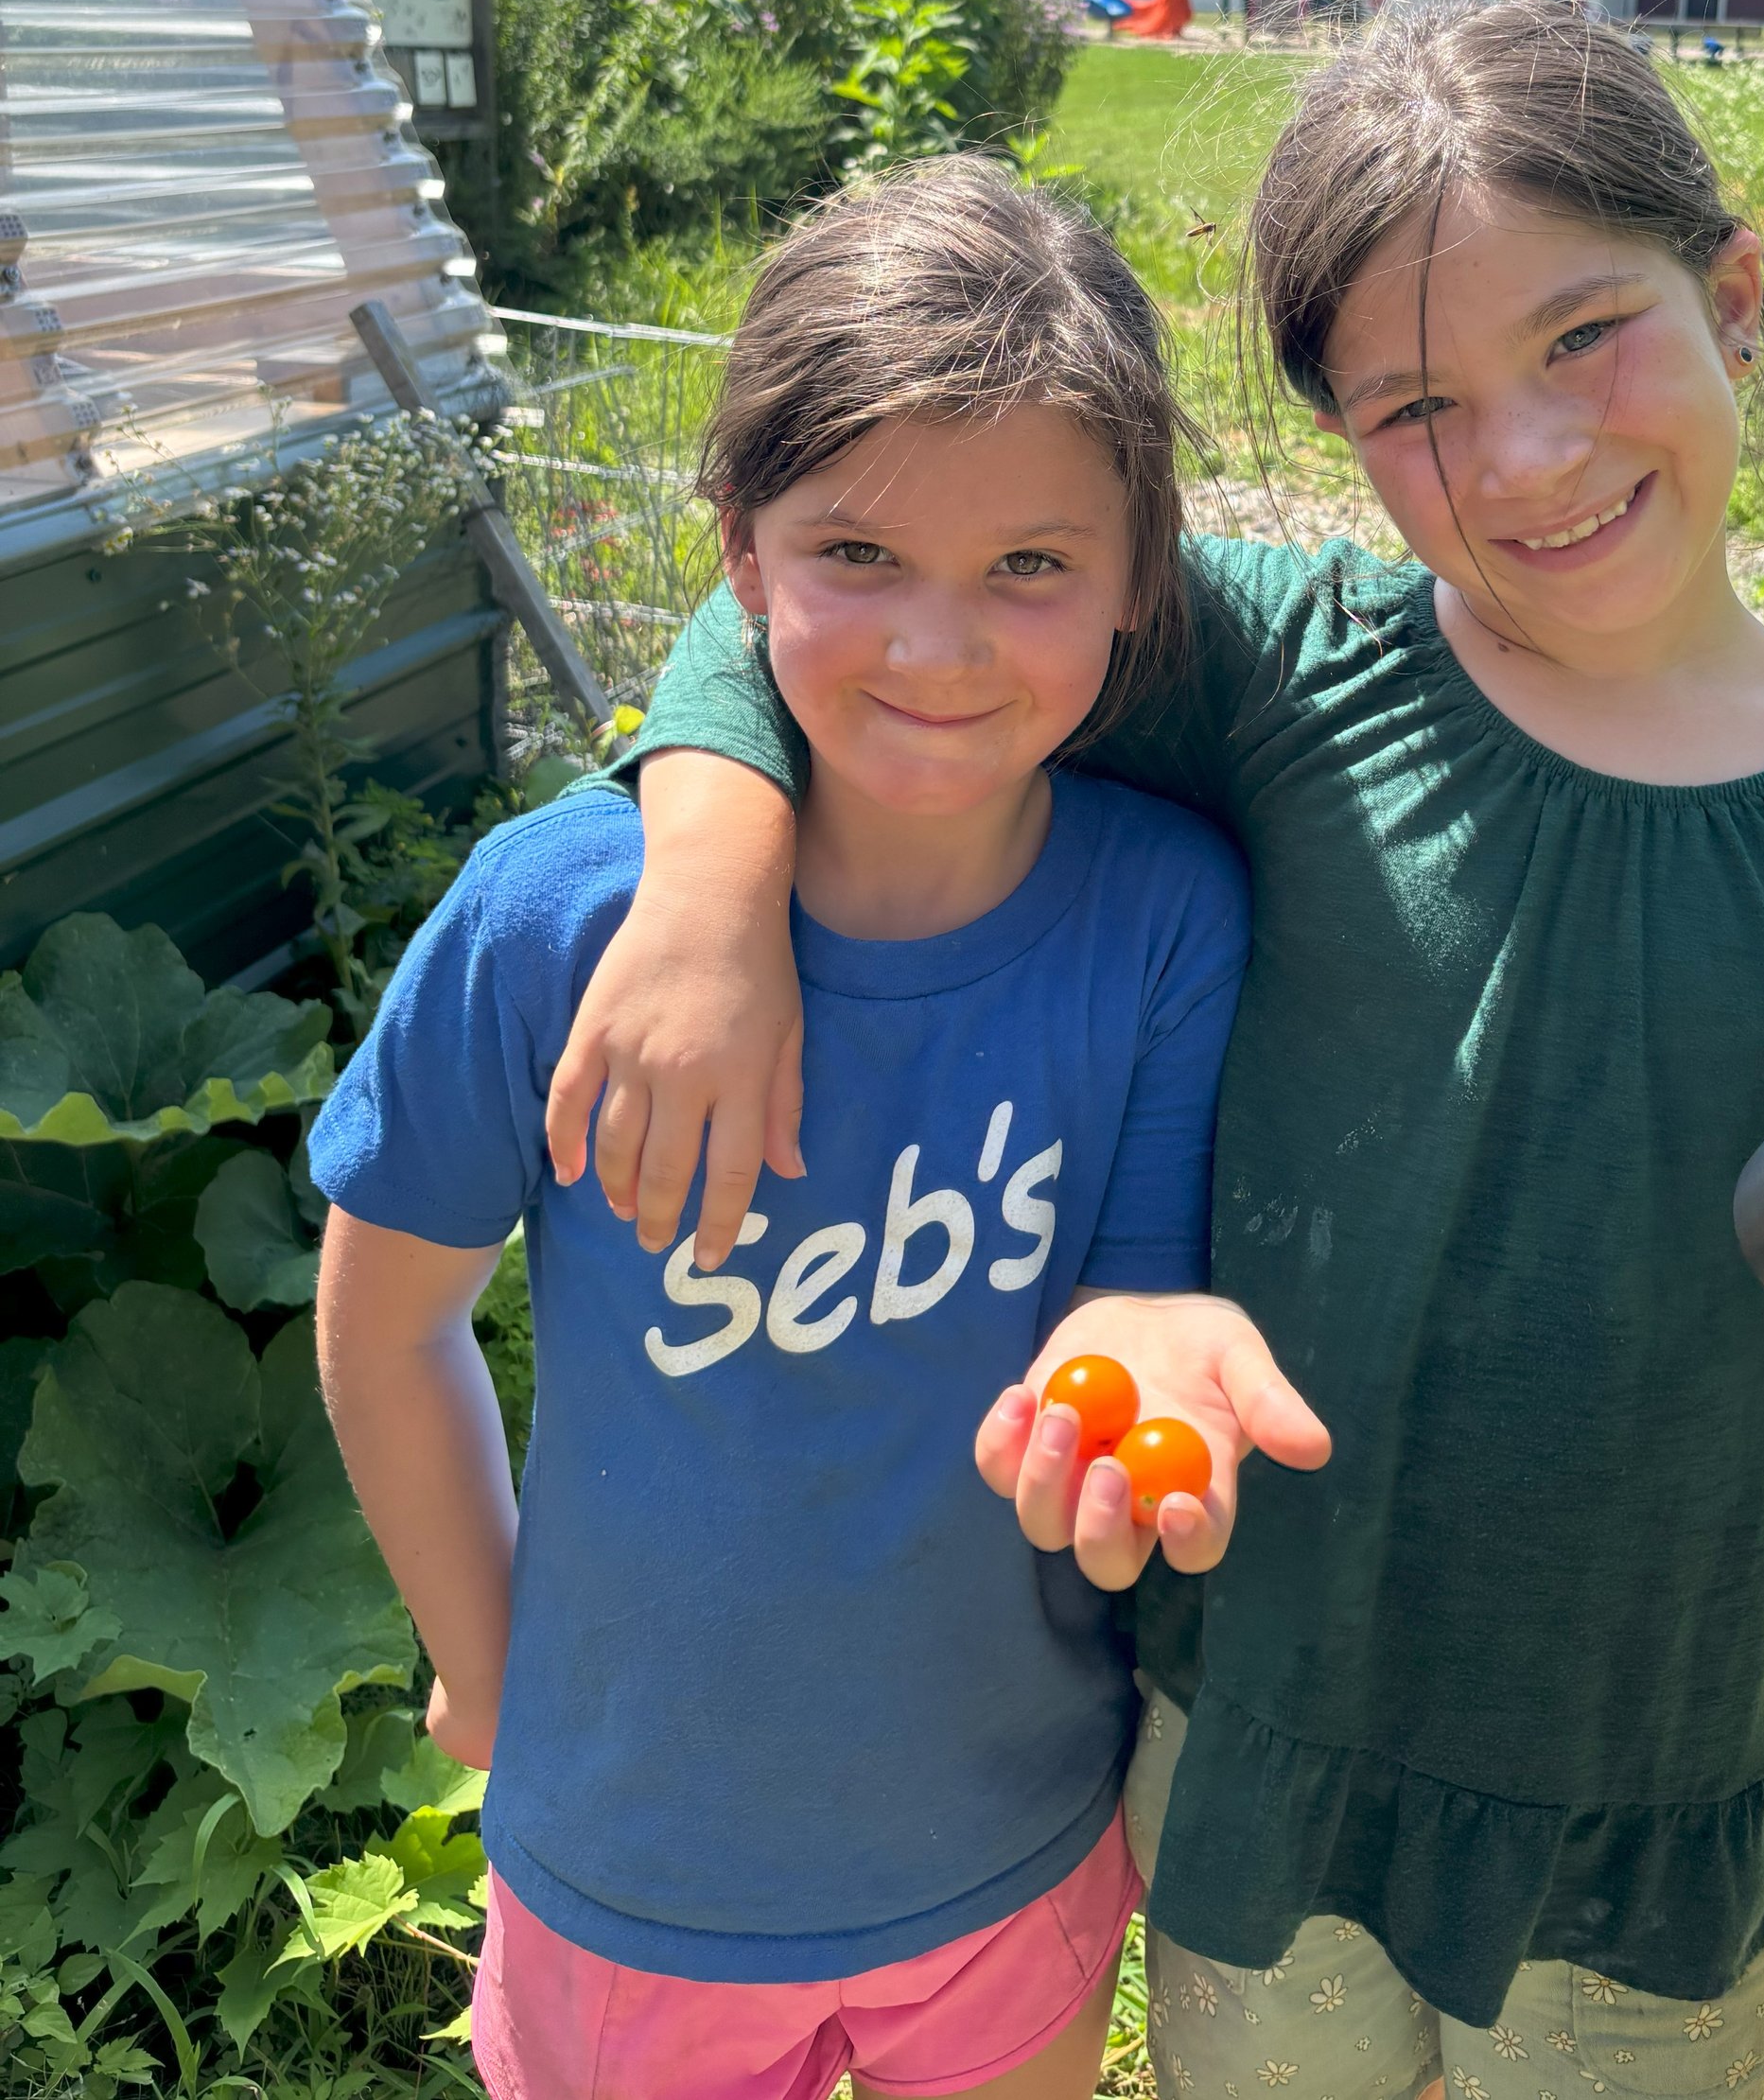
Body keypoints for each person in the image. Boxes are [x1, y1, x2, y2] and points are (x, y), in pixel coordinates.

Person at [558, 0, 1764, 2100]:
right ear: (1337, 436)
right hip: (1266, 1739)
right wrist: (707, 870)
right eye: (1414, 404)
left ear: (1729, 295)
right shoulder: (1284, 675)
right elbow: (837, 571)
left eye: (1583, 336)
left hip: (1644, 1784)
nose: (1527, 455)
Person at [311, 160, 1327, 2100]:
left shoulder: (1162, 913)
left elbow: (1126, 1287)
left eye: (1030, 564)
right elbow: (384, 1312)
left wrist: (1145, 1365)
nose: (936, 648)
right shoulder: (553, 922)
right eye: (854, 551)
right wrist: (480, 1651)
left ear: (1138, 575)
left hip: (1007, 1837)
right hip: (627, 1869)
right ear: (738, 548)